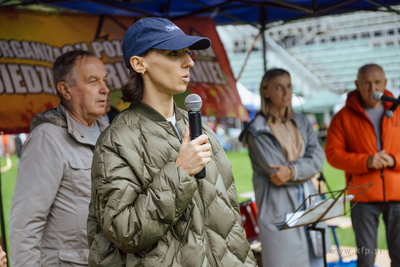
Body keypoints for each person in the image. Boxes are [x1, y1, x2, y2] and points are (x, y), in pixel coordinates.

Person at [87, 17, 257, 267]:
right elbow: (125, 232)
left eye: (187, 52)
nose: (189, 61)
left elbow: (230, 223)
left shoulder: (201, 129)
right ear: (138, 63)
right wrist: (180, 172)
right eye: (173, 53)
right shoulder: (116, 141)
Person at [9, 50, 110, 266]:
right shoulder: (47, 139)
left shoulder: (110, 134)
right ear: (65, 89)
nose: (105, 89)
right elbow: (25, 226)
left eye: (104, 80)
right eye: (93, 81)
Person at [239, 68, 329, 267]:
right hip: (279, 210)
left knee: (316, 260)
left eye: (288, 86)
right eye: (278, 87)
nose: (286, 92)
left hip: (309, 205)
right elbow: (276, 173)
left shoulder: (303, 122)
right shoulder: (257, 131)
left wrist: (293, 171)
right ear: (266, 92)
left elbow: (318, 159)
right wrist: (304, 168)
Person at [325, 63, 400, 267]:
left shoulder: (399, 110)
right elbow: (333, 155)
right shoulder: (342, 117)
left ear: (385, 83)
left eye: (377, 82)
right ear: (357, 84)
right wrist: (366, 161)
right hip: (362, 197)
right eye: (366, 83)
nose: (372, 88)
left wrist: (394, 160)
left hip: (398, 196)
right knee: (366, 258)